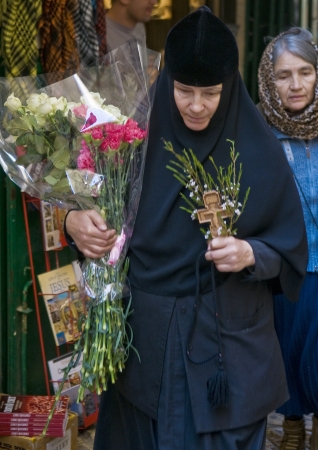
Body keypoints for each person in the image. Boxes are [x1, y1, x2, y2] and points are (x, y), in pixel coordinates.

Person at [65, 7, 308, 449]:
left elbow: (290, 245)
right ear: (166, 82)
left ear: (230, 89)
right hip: (144, 350)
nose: (197, 106)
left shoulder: (259, 150)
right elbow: (97, 212)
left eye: (211, 93)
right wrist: (74, 221)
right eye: (184, 91)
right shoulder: (133, 139)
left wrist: (251, 254)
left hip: (228, 352)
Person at [258, 27, 318, 450]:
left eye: (306, 72)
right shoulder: (255, 134)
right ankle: (292, 429)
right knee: (289, 355)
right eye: (282, 75)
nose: (295, 85)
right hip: (285, 272)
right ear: (267, 79)